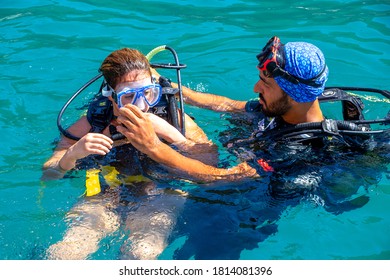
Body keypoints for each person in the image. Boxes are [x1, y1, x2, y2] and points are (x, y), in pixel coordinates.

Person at [42, 47, 216, 259]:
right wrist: (72, 154)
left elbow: (210, 162)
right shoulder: (95, 121)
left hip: (161, 192)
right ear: (112, 97)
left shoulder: (171, 117)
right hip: (106, 193)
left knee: (141, 252)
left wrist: (172, 136)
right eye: (129, 96)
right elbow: (49, 175)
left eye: (148, 94)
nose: (141, 105)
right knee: (65, 253)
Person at [115, 36, 333, 182]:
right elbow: (225, 105)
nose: (256, 88)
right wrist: (164, 84)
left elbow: (223, 179)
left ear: (294, 95)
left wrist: (152, 146)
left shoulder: (298, 150)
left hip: (245, 215)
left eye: (265, 85)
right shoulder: (279, 107)